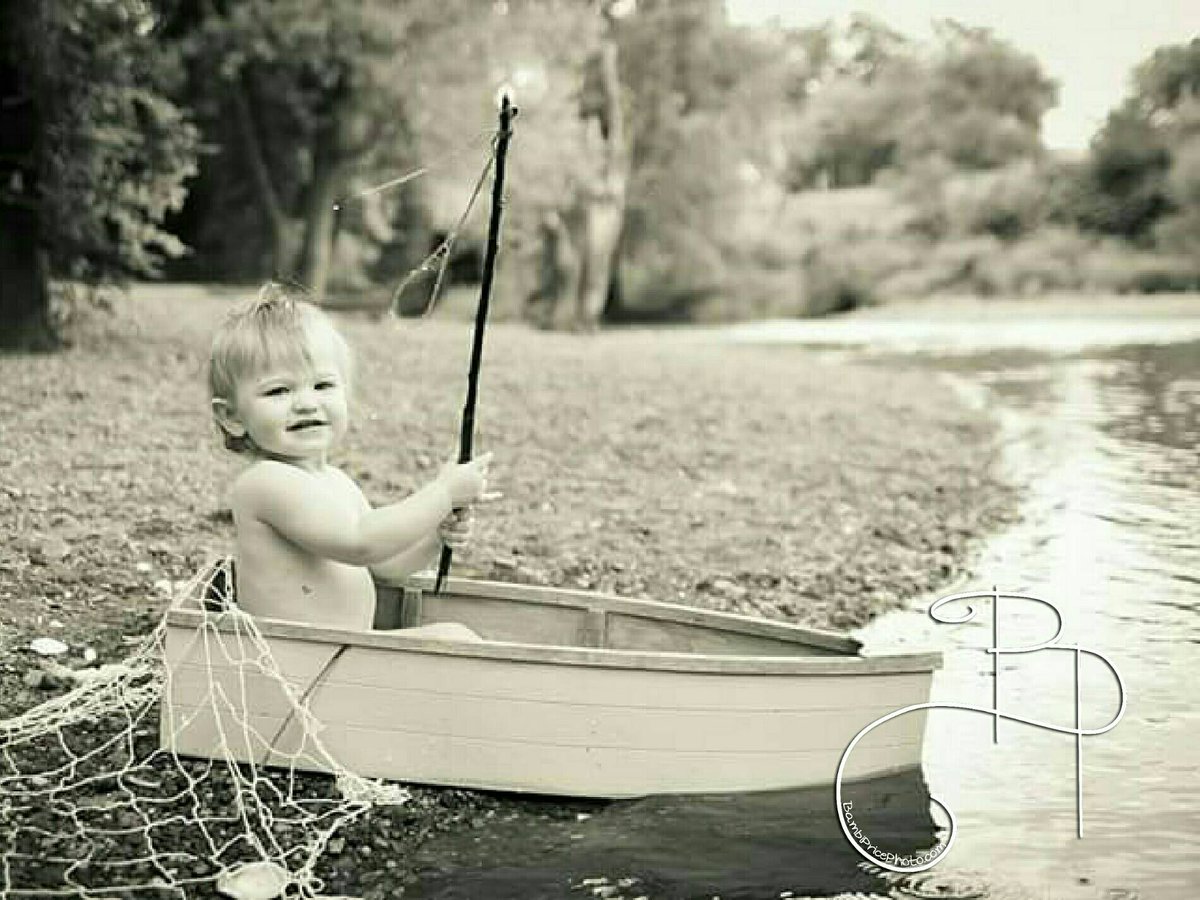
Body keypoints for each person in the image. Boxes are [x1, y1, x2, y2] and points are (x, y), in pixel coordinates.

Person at [206, 283, 491, 633]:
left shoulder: (336, 481)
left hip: (342, 653)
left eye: (322, 386)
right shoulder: (265, 483)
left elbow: (385, 564)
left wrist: (435, 536)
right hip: (297, 657)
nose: (307, 403)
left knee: (454, 637)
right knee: (453, 638)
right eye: (279, 390)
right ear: (232, 417)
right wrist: (442, 493)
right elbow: (362, 543)